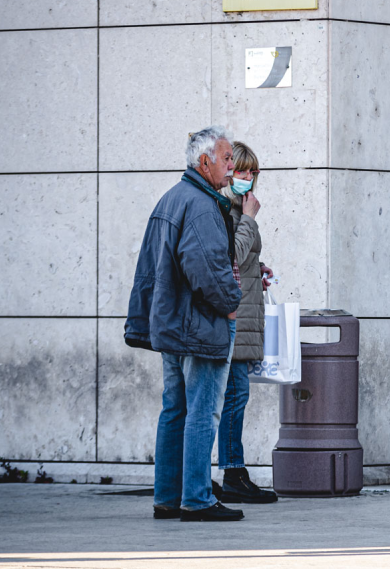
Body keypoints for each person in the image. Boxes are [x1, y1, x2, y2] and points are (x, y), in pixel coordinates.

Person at [125, 126, 244, 522]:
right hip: (200, 325)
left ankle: (168, 497)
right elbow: (206, 267)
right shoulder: (201, 204)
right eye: (227, 159)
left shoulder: (171, 199)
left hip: (173, 326)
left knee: (174, 410)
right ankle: (197, 498)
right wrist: (230, 304)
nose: (232, 167)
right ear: (205, 161)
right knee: (202, 412)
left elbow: (150, 270)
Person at [213, 141, 278, 504]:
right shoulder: (228, 210)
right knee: (235, 397)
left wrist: (259, 268)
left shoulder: (237, 209)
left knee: (236, 396)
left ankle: (234, 471)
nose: (248, 178)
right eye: (242, 170)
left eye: (253, 171)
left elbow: (242, 259)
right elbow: (228, 257)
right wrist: (250, 219)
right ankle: (234, 473)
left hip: (246, 312)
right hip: (233, 316)